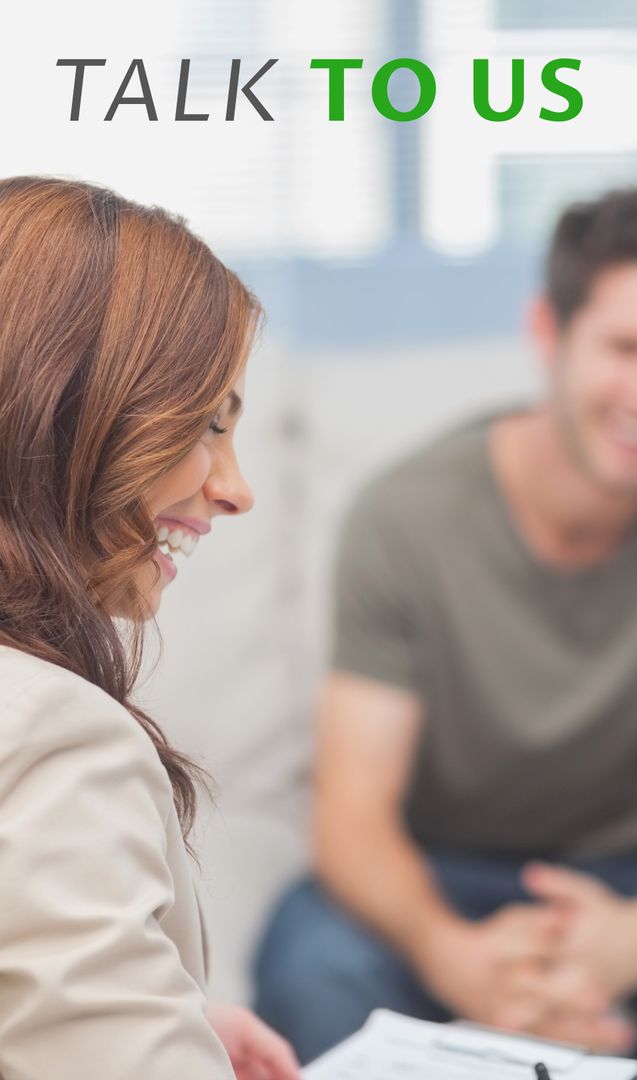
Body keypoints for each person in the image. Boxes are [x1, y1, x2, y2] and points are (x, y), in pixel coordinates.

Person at [254, 188, 637, 1080]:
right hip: (449, 872)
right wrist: (456, 956)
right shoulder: (404, 517)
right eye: (626, 349)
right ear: (547, 331)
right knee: (311, 963)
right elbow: (351, 817)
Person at [0, 176, 300, 1079]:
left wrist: (169, 1015)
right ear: (70, 411)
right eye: (207, 424)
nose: (236, 488)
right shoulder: (55, 735)